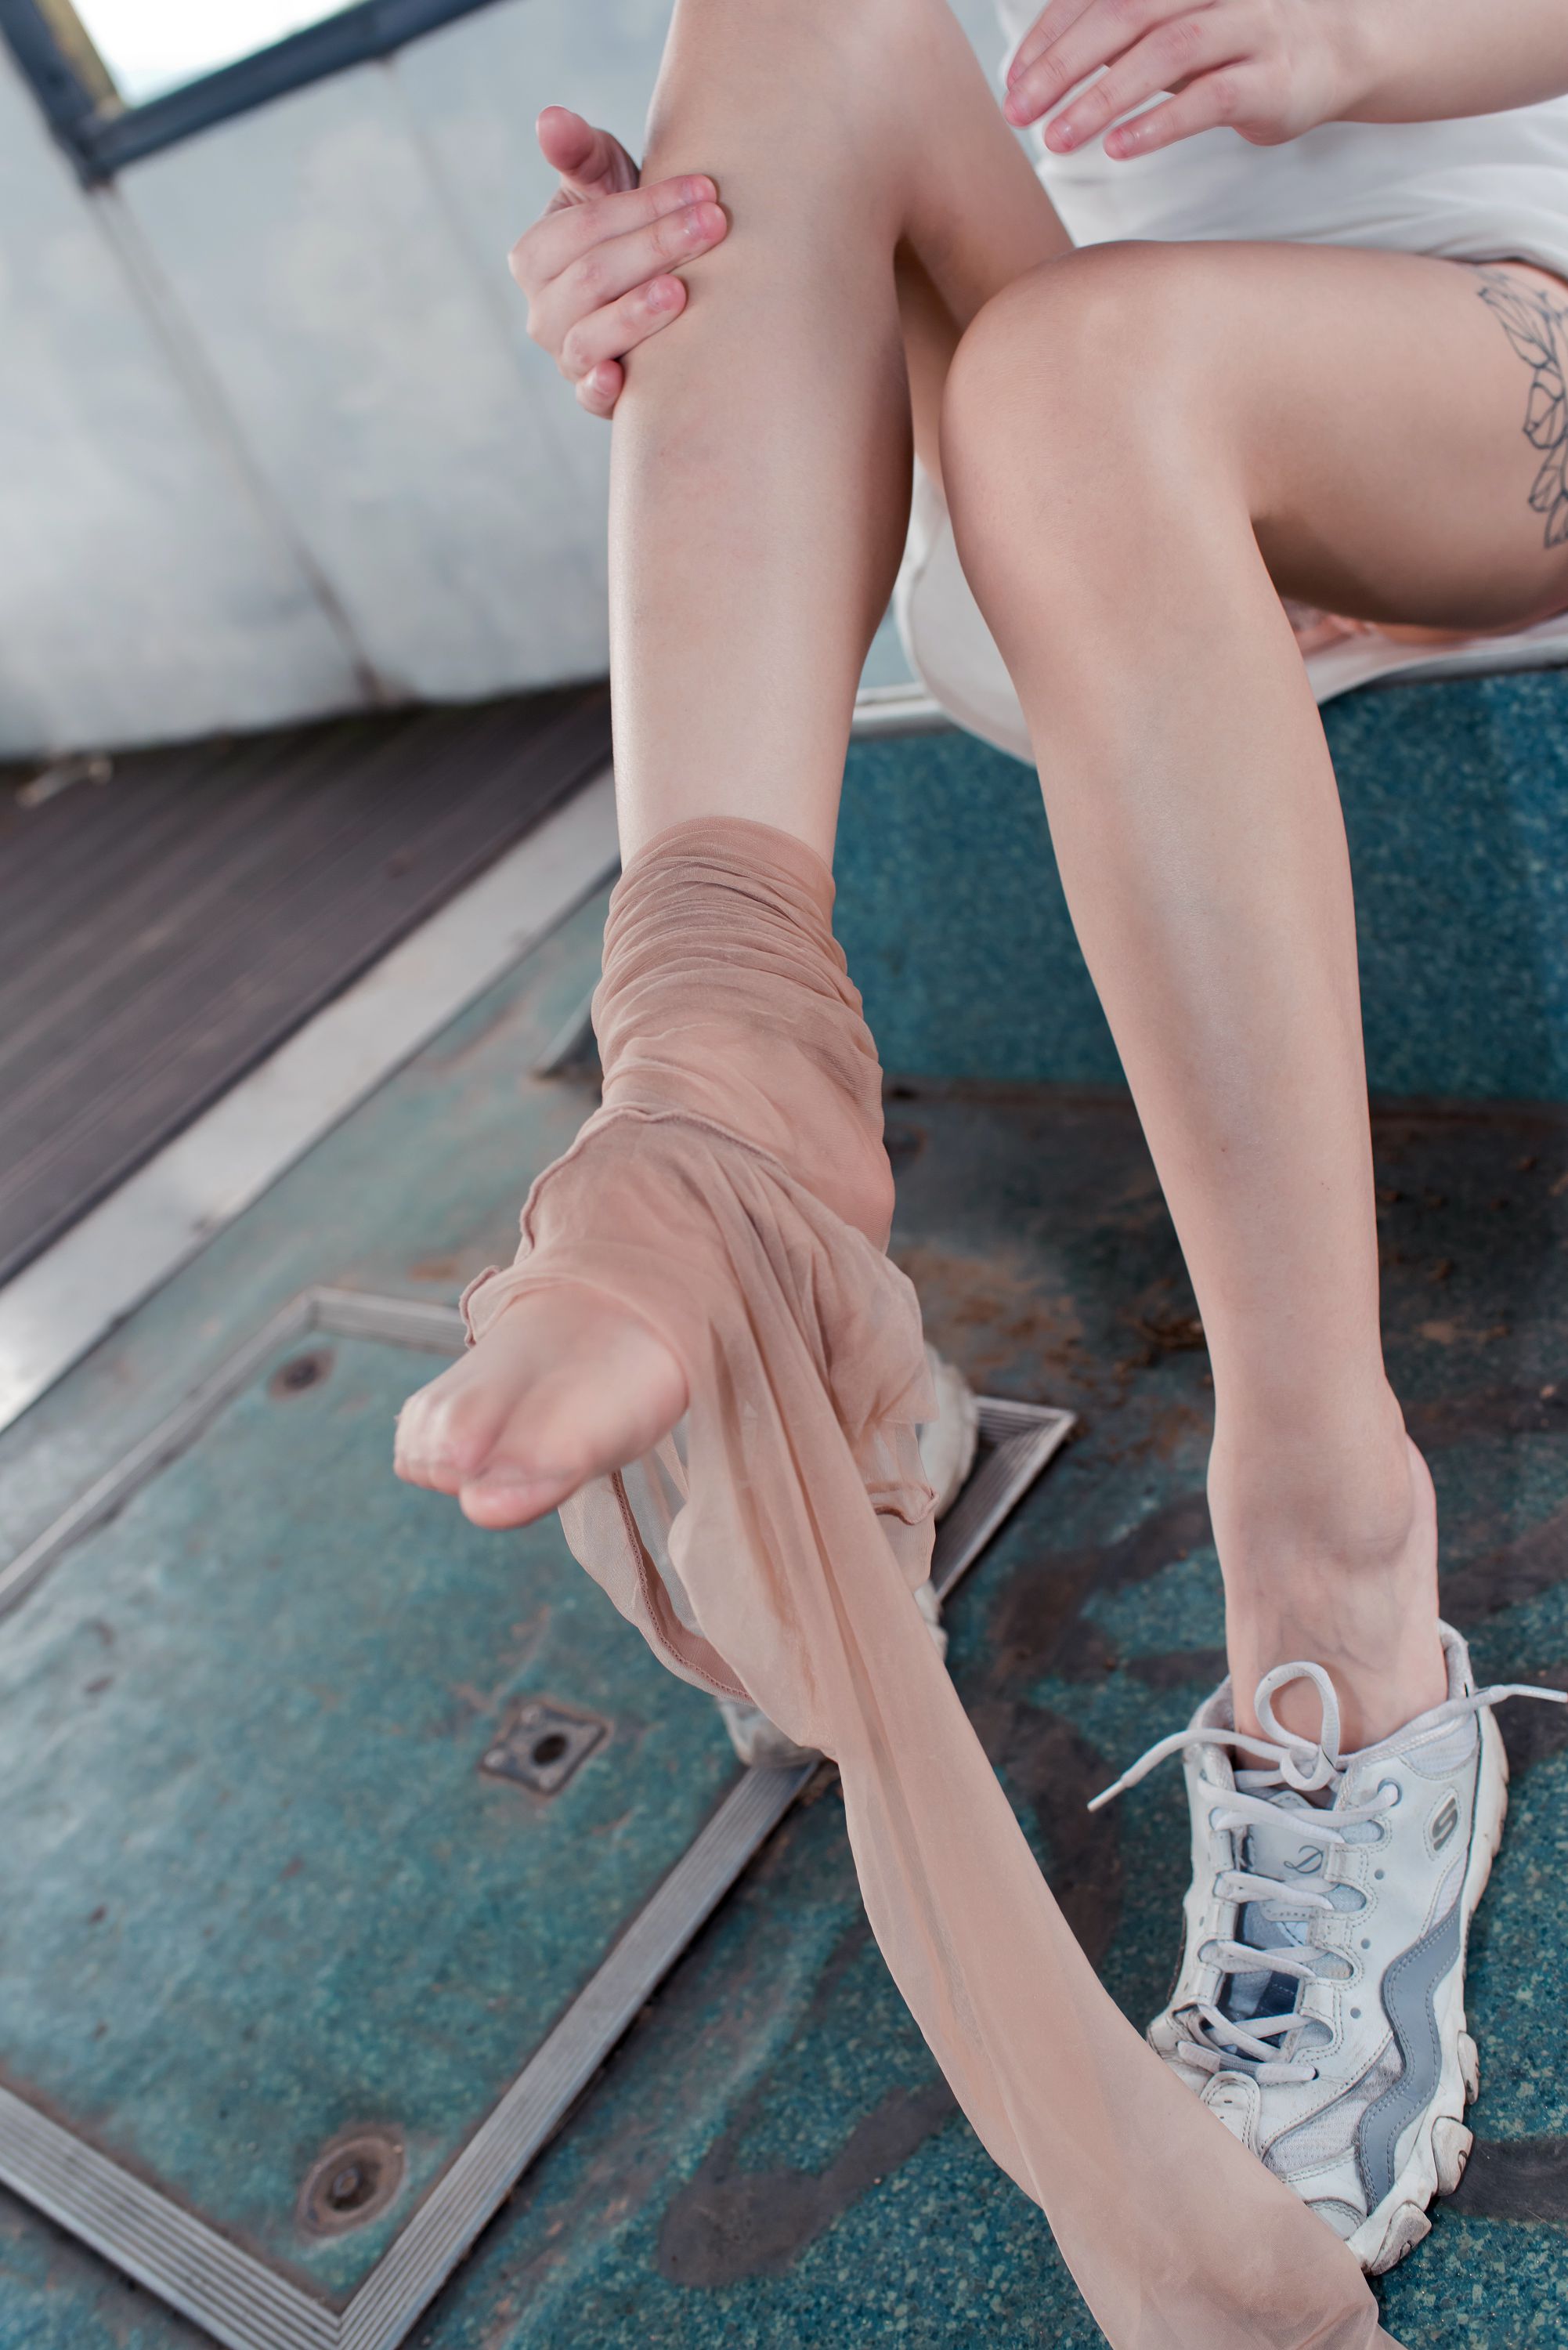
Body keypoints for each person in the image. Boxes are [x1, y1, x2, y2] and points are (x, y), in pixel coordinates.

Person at [394, 0, 1568, 2315]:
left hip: (1480, 355)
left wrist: (1359, 35)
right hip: (1062, 455)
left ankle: (1333, 1575)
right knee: (788, 25)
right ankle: (717, 1070)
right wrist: (677, 271)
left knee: (1080, 373)